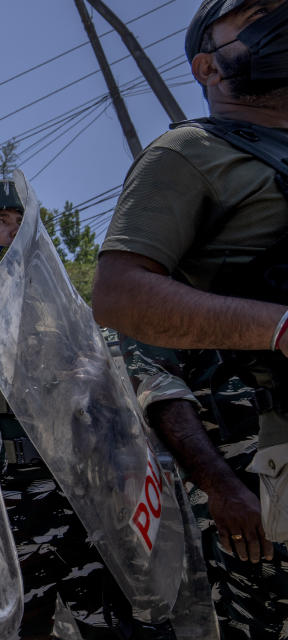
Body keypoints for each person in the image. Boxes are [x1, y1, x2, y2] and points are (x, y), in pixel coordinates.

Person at [92, 1, 288, 636]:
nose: (279, 21)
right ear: (207, 65)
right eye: (257, 13)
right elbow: (120, 296)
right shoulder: (188, 152)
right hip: (269, 448)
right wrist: (279, 326)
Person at [0, 179, 174, 639]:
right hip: (6, 511)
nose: (13, 231)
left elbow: (114, 401)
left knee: (124, 621)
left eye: (19, 221)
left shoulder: (61, 312)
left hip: (85, 496)